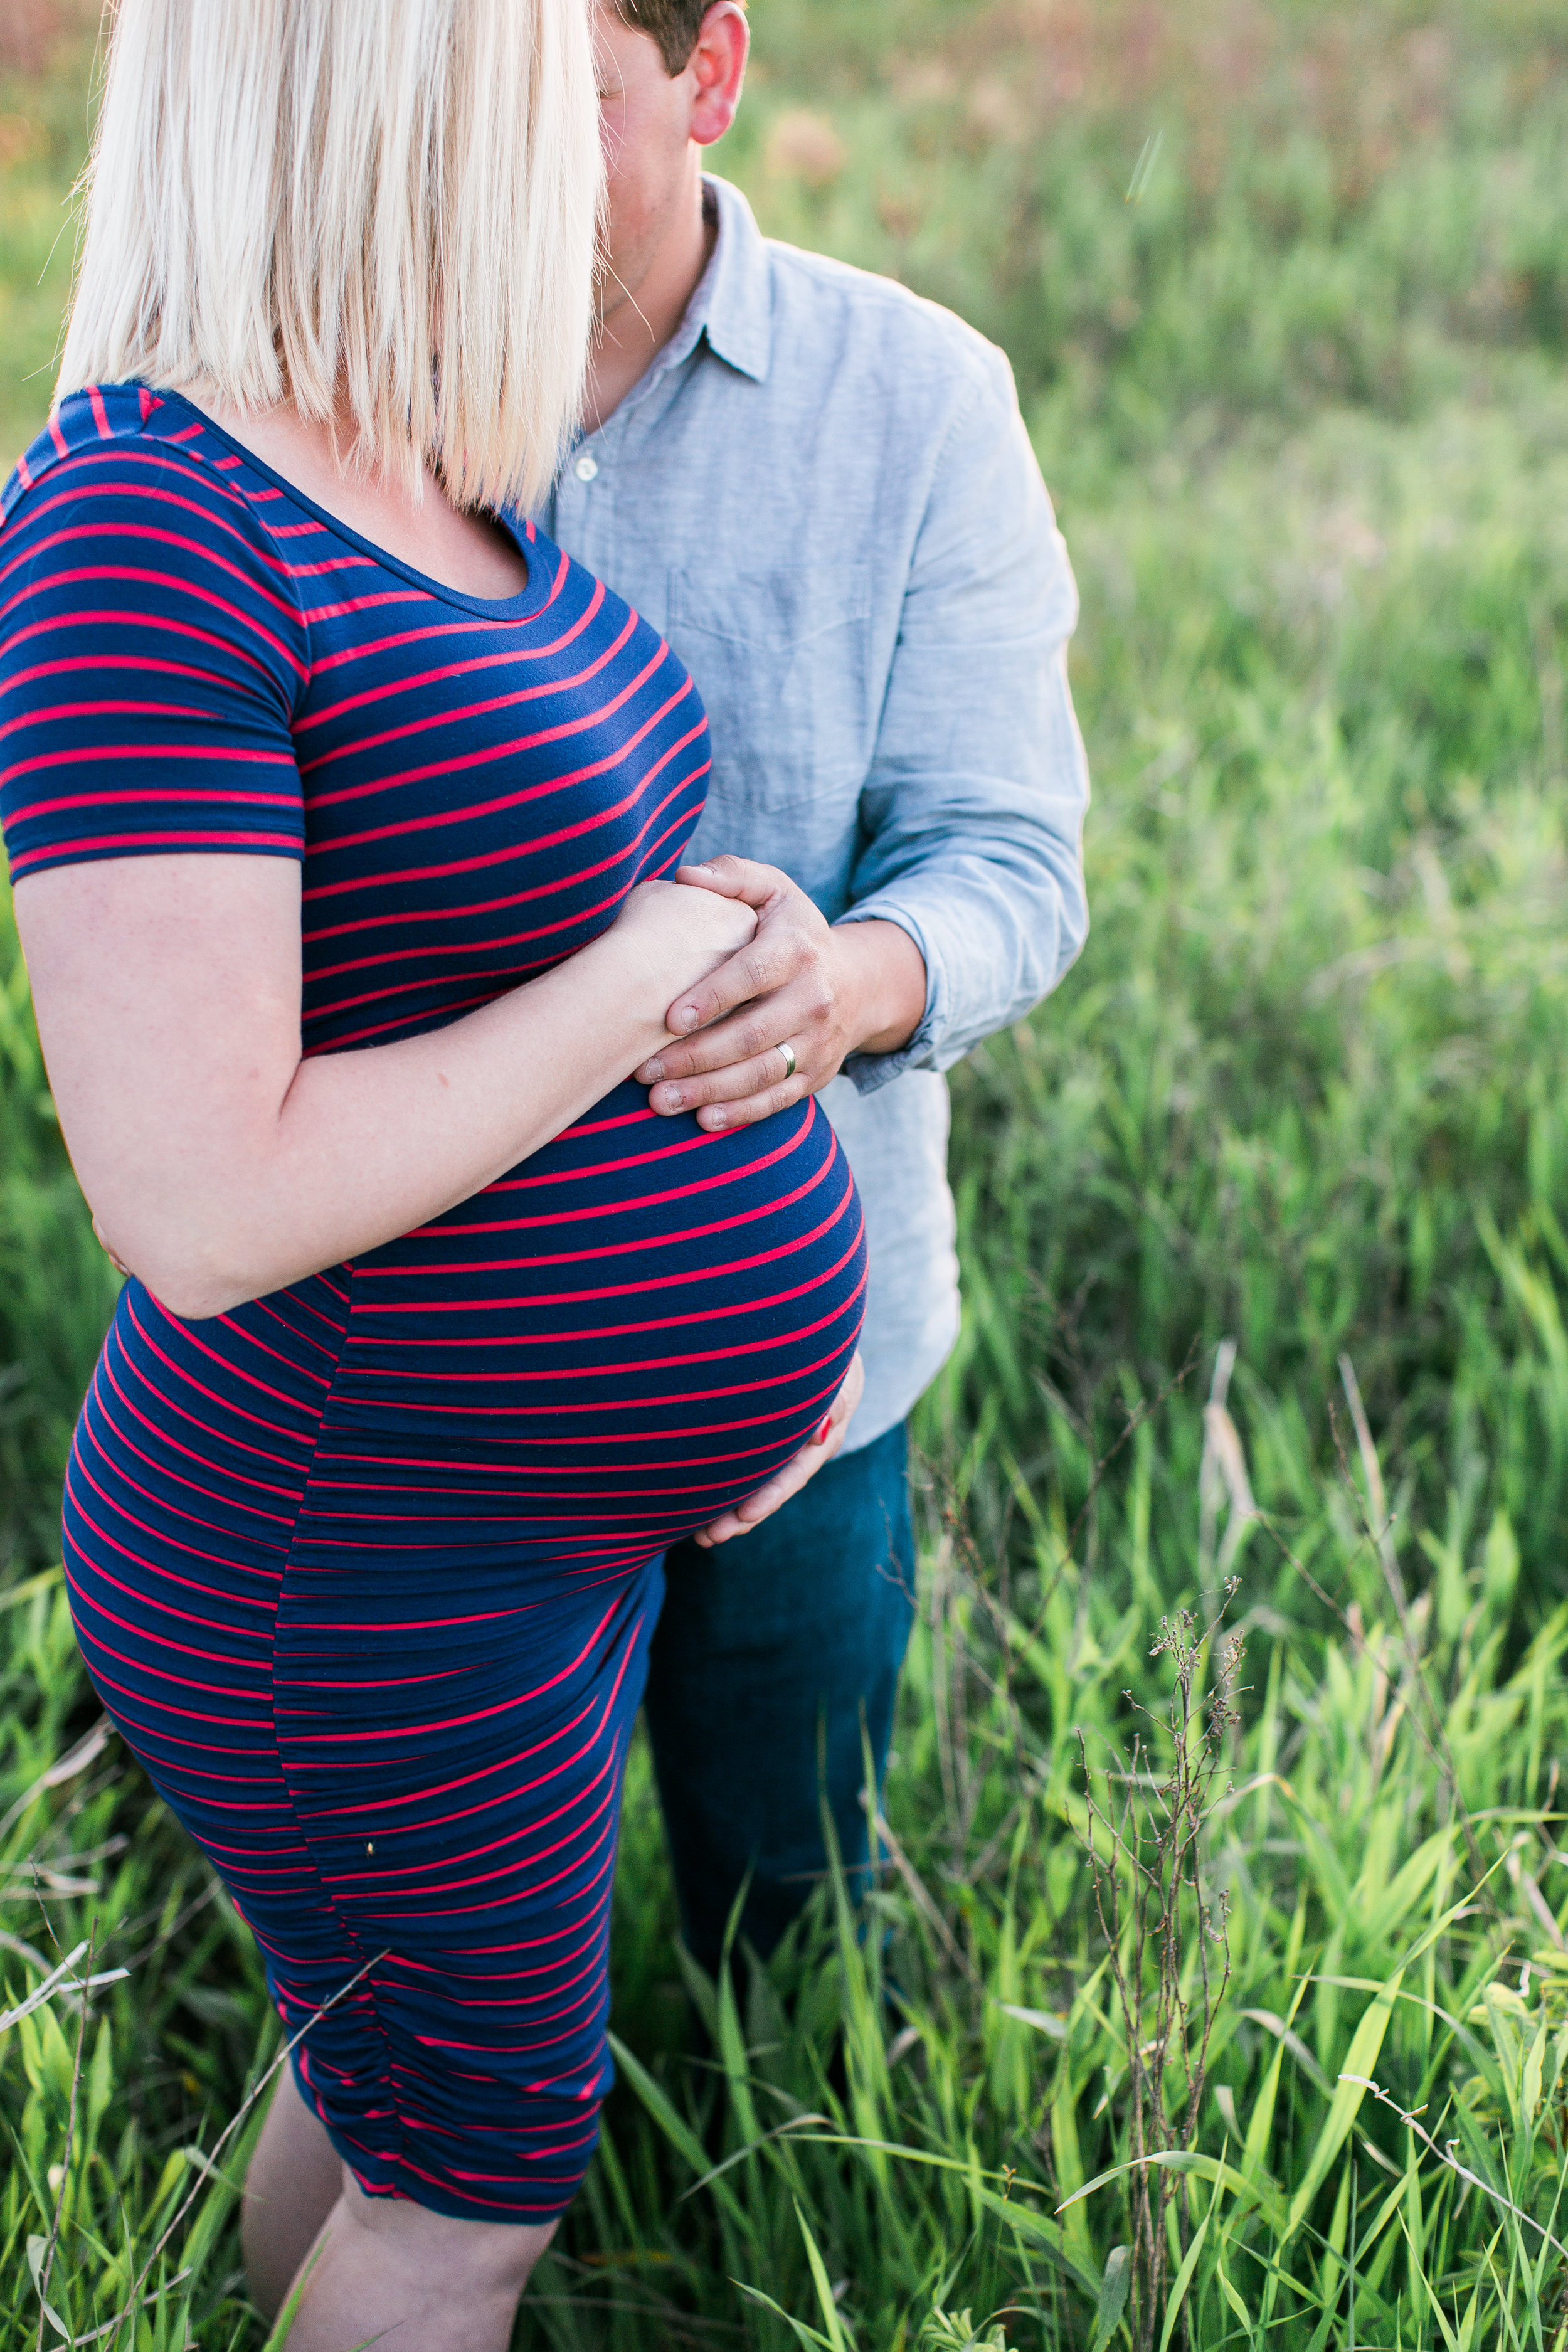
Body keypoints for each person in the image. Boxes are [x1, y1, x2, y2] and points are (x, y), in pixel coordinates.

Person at [0, 4, 868, 2346]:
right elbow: (195, 1201)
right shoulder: (139, 509)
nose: (560, 143)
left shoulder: (406, 458)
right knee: (474, 2192)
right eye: (507, 73)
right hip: (348, 1559)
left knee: (397, 2103)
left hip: (512, 1532)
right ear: (366, 96)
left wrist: (743, 935)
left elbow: (491, 922)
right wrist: (652, 963)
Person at [549, 0, 1091, 1975]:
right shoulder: (342, 396)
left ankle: (761, 2248)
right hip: (430, 1387)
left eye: (566, 108)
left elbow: (1012, 857)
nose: (496, 174)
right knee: (411, 1963)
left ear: (710, 76)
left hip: (814, 1360)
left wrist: (849, 983)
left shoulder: (919, 399)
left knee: (787, 1923)